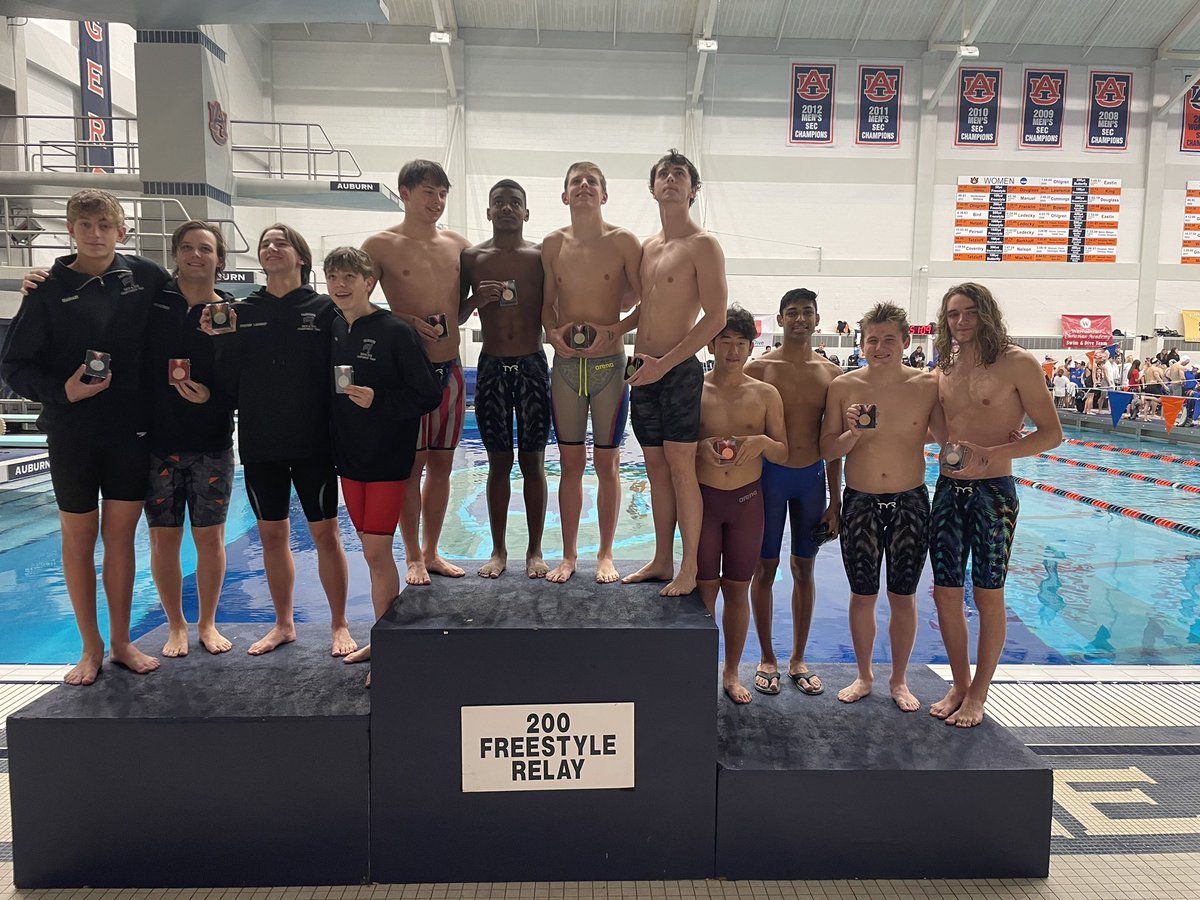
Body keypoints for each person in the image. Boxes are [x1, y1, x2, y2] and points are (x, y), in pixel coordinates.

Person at [1, 189, 168, 685]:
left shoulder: (146, 278)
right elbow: (13, 367)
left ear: (122, 230)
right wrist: (64, 392)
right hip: (72, 431)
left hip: (130, 432)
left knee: (120, 539)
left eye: (105, 225)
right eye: (85, 224)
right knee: (78, 539)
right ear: (71, 230)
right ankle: (88, 645)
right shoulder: (47, 288)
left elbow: (185, 312)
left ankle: (120, 641)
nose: (95, 234)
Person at [204, 224, 355, 657]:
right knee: (272, 536)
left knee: (326, 535)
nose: (271, 248)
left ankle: (340, 624)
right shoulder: (239, 310)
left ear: (301, 257)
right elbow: (228, 378)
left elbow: (343, 372)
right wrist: (217, 344)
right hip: (261, 440)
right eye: (265, 244)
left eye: (281, 242)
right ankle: (284, 623)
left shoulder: (326, 309)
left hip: (314, 442)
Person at [928, 282, 1063, 727]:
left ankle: (979, 696)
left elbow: (1051, 433)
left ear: (986, 313)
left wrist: (997, 453)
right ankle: (959, 684)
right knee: (945, 594)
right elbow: (941, 431)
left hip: (993, 495)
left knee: (989, 595)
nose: (961, 321)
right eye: (953, 314)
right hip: (948, 490)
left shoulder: (1017, 363)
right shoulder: (943, 365)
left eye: (969, 312)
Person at [324, 247, 441, 686]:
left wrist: (381, 401)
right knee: (373, 554)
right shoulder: (335, 327)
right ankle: (384, 637)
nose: (340, 284)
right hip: (350, 460)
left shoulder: (394, 331)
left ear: (368, 281)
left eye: (349, 276)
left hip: (387, 459)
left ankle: (389, 646)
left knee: (375, 553)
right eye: (333, 276)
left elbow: (428, 394)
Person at [820, 302, 942, 712]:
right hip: (860, 501)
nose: (880, 347)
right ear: (862, 343)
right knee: (862, 595)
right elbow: (827, 450)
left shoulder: (927, 385)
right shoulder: (843, 386)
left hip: (910, 500)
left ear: (907, 341)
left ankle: (900, 680)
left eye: (889, 339)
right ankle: (864, 675)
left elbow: (949, 432)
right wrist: (852, 433)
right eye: (872, 339)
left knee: (904, 596)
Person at [623, 149, 728, 597]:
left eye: (679, 174)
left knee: (682, 469)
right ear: (653, 188)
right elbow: (647, 308)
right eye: (663, 174)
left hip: (677, 370)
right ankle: (661, 558)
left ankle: (689, 568)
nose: (670, 179)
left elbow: (716, 317)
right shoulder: (648, 247)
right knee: (655, 469)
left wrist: (665, 364)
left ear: (693, 189)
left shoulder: (703, 245)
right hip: (641, 372)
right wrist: (615, 330)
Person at [362, 160, 472, 585]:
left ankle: (432, 551)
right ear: (405, 193)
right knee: (412, 466)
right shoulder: (380, 245)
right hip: (405, 372)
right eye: (428, 192)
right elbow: (359, 304)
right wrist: (404, 320)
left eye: (443, 193)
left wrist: (476, 302)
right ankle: (411, 555)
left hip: (451, 368)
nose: (437, 201)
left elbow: (459, 309)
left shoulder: (458, 245)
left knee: (442, 465)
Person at [540, 162, 642, 584]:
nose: (583, 187)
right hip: (565, 367)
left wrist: (615, 330)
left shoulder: (623, 242)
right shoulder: (551, 244)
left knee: (608, 464)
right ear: (564, 196)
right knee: (569, 464)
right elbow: (547, 303)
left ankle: (604, 553)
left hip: (609, 367)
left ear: (604, 195)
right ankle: (568, 556)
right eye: (575, 183)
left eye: (592, 182)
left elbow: (644, 303)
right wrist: (552, 332)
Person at [144, 221, 237, 657]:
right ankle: (175, 625)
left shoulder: (232, 313)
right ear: (176, 254)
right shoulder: (153, 301)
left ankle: (207, 622)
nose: (196, 255)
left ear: (219, 258)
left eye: (205, 248)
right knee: (164, 538)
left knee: (210, 538)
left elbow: (242, 380)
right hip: (158, 442)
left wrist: (212, 394)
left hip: (212, 441)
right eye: (187, 248)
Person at [744, 289, 842, 696]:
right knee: (764, 570)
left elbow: (834, 443)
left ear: (818, 319)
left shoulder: (831, 374)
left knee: (805, 569)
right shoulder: (759, 369)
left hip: (810, 480)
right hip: (768, 478)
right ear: (781, 319)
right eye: (792, 313)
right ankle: (767, 657)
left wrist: (836, 501)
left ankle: (798, 659)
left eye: (807, 313)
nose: (799, 319)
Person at [460, 180, 552, 579]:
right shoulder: (472, 258)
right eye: (499, 203)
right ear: (489, 211)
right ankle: (498, 550)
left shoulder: (540, 257)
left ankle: (534, 551)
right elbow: (457, 315)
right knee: (498, 463)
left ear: (527, 212)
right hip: (493, 366)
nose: (507, 208)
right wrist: (477, 300)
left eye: (515, 203)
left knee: (534, 462)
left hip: (532, 364)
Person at [695, 307, 787, 703]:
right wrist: (700, 447)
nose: (732, 350)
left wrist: (762, 443)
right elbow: (674, 449)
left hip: (747, 503)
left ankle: (731, 674)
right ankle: (699, 671)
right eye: (725, 342)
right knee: (703, 590)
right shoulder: (695, 390)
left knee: (737, 589)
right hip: (704, 502)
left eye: (740, 343)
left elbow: (783, 452)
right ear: (711, 344)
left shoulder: (766, 394)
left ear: (752, 347)